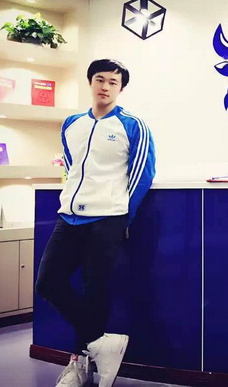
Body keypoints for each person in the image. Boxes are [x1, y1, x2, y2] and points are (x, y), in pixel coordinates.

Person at [35, 59, 156, 387]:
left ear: (121, 88)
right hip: (69, 217)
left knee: (94, 290)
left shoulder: (133, 125)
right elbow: (72, 166)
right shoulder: (72, 124)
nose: (105, 86)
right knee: (48, 283)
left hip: (107, 219)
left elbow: (143, 173)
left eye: (113, 82)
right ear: (90, 82)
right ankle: (100, 341)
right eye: (99, 79)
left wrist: (124, 216)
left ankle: (79, 366)